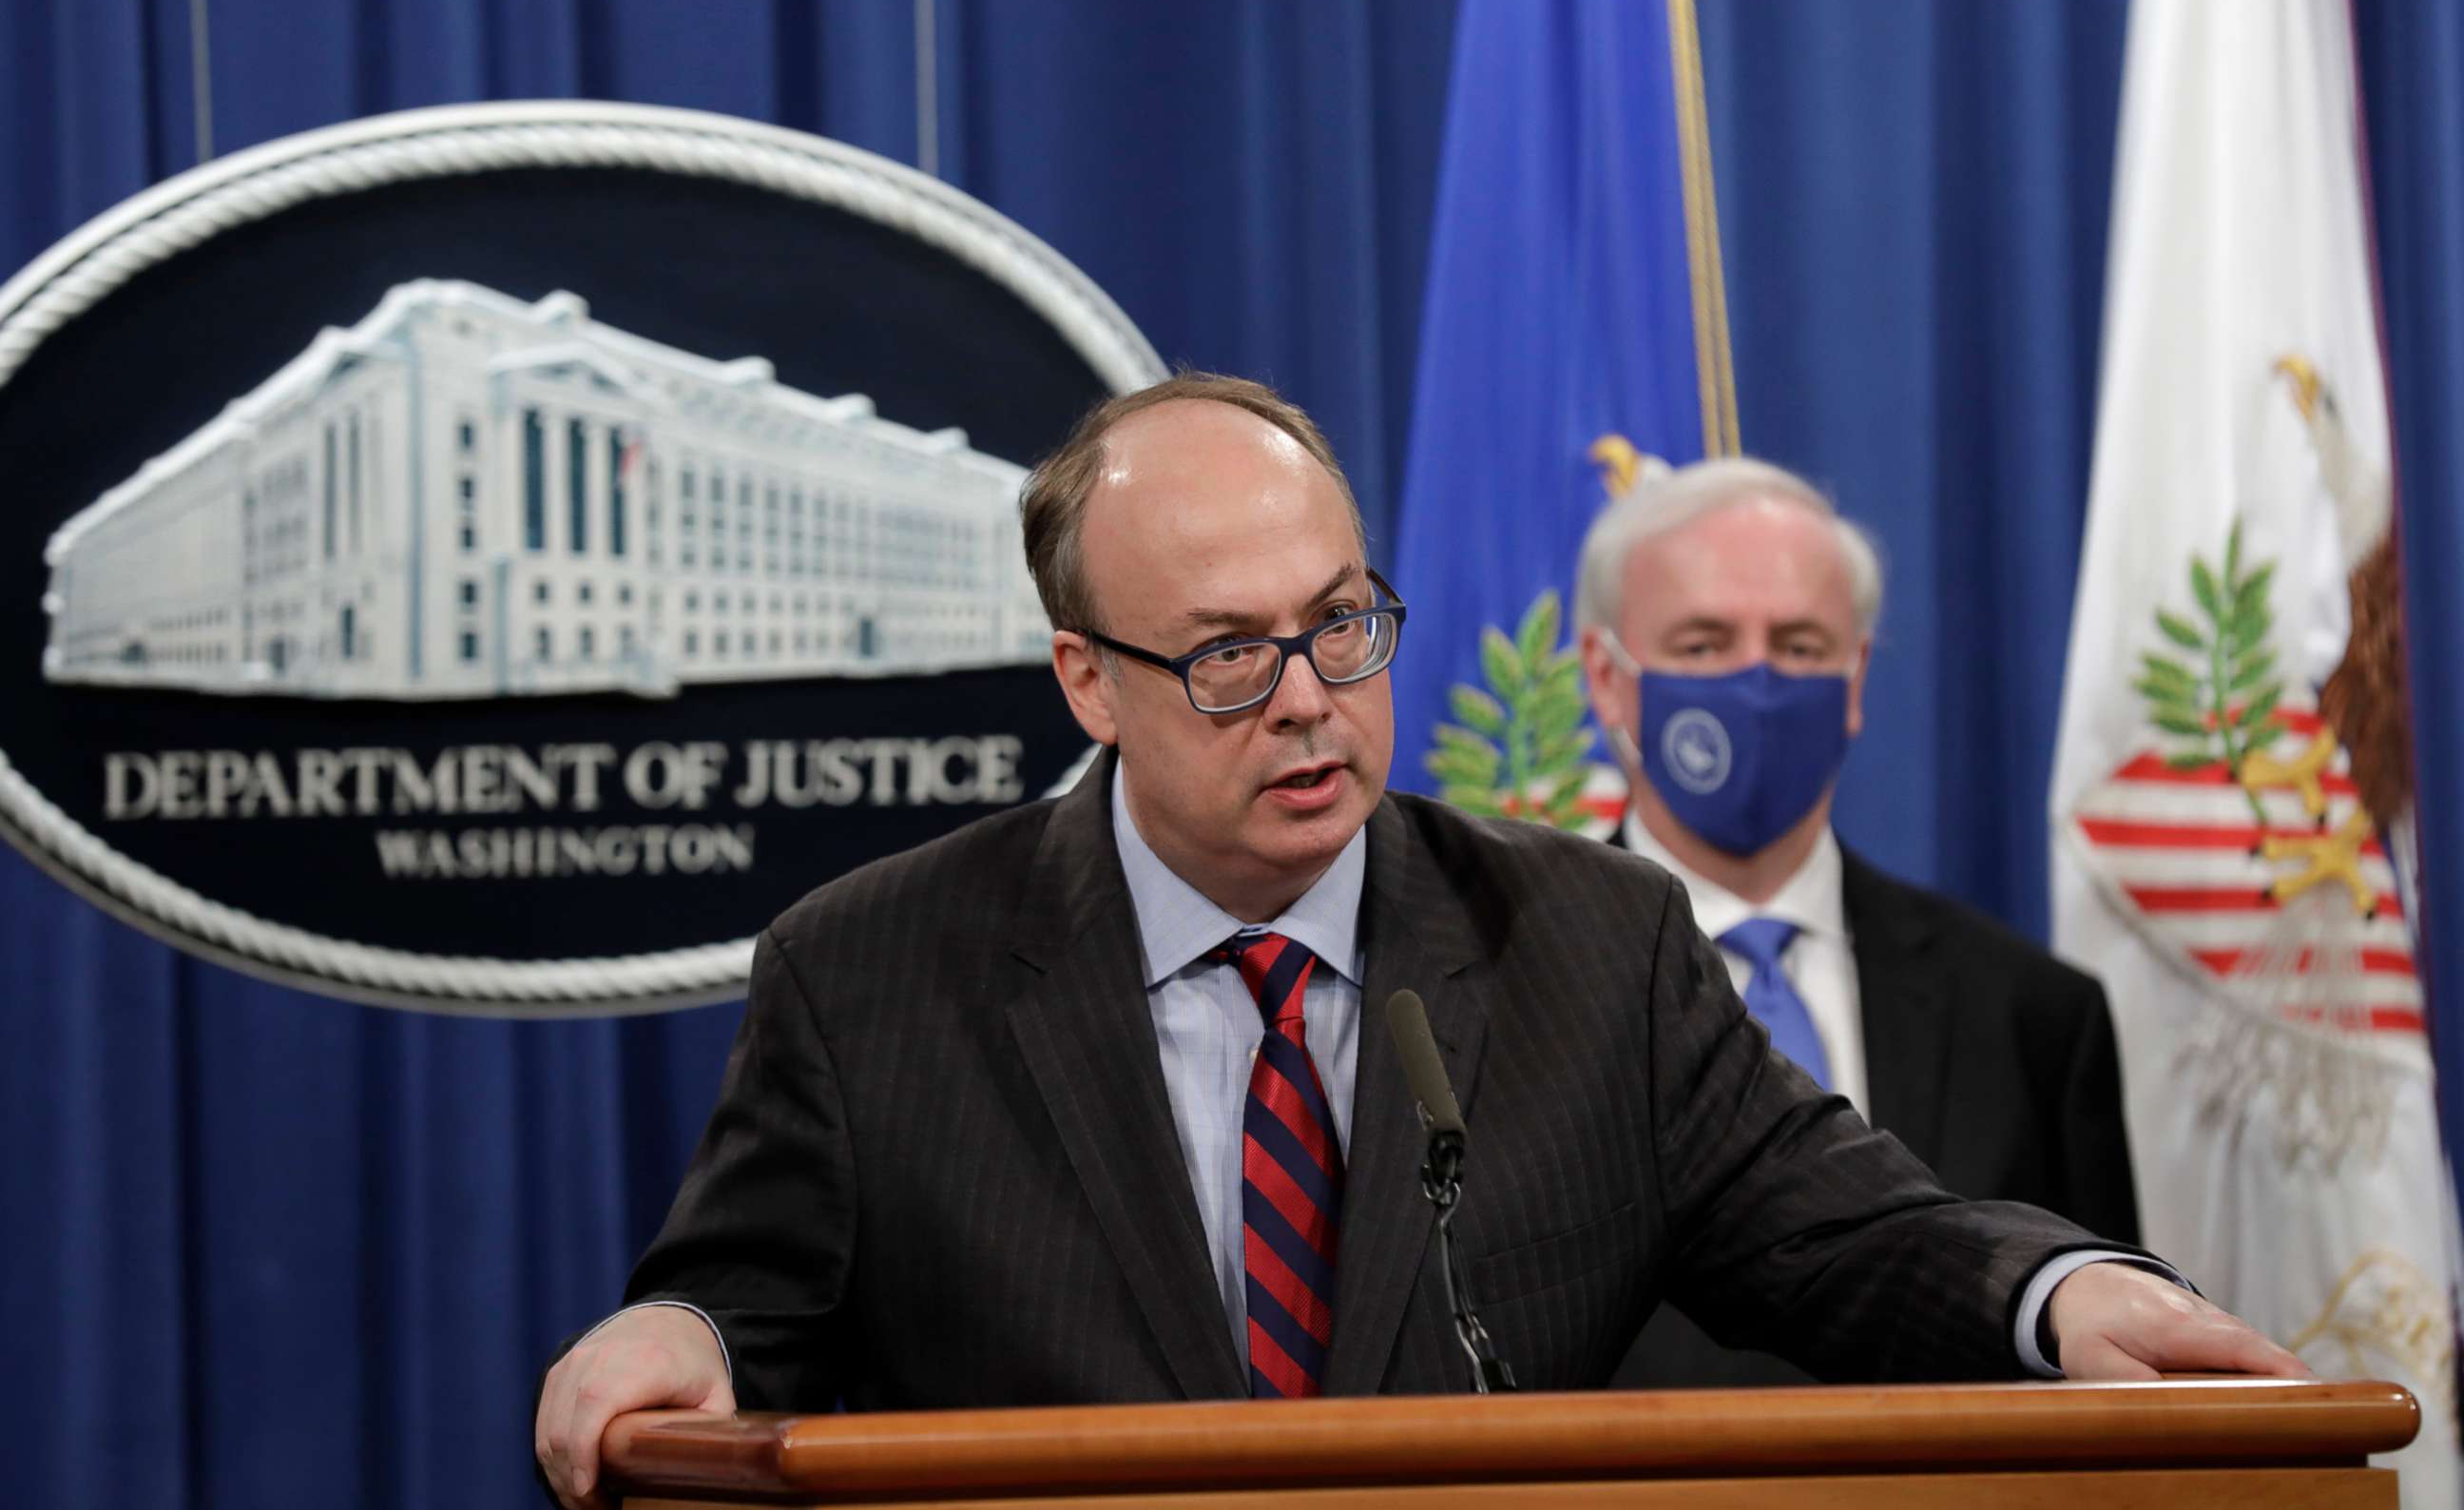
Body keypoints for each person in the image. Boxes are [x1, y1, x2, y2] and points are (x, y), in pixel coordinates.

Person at [534, 374, 2300, 1510]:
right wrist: (673, 1327)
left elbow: (1848, 1228)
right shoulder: (874, 974)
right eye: (1228, 653)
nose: (1311, 705)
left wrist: (2059, 1292)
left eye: (1342, 625)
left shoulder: (1588, 946)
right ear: (1086, 677)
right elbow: (743, 1306)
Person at [1570, 457, 2141, 1390]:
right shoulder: (1500, 993)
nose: (1757, 683)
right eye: (1706, 644)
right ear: (1609, 676)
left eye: (1797, 645)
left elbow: (2104, 1385)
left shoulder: (2033, 1016)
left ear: (1856, 675)